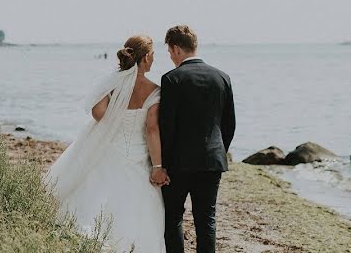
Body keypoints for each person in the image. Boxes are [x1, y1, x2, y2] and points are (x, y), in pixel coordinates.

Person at [45, 35, 167, 252]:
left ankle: (99, 239)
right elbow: (151, 129)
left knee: (103, 193)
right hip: (139, 155)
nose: (153, 60)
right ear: (146, 57)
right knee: (139, 201)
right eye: (153, 55)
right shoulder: (154, 90)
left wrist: (116, 121)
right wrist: (157, 166)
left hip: (112, 147)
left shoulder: (113, 84)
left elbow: (97, 112)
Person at [158, 25, 235, 253]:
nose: (171, 57)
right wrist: (218, 150)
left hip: (178, 163)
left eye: (170, 52)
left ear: (176, 49)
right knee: (206, 220)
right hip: (212, 161)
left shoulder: (172, 79)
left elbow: (167, 126)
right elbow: (229, 124)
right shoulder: (222, 77)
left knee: (173, 218)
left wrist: (162, 164)